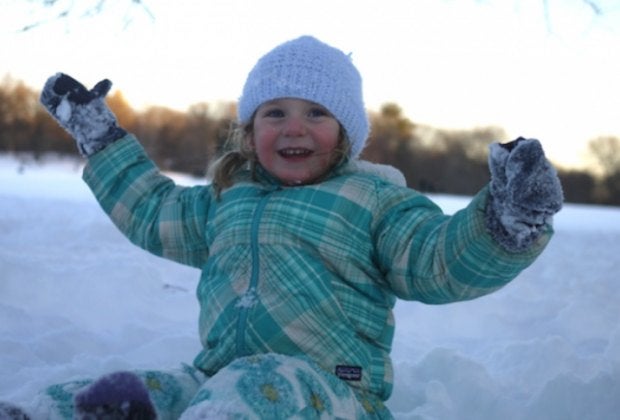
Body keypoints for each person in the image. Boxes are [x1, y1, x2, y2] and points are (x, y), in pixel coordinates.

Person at [3, 35, 562, 419]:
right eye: (275, 113)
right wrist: (102, 141)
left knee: (255, 386)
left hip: (332, 397)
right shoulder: (227, 198)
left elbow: (436, 259)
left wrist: (504, 222)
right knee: (135, 393)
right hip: (219, 383)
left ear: (346, 134)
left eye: (316, 113)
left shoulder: (374, 200)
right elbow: (153, 210)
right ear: (249, 133)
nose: (295, 127)